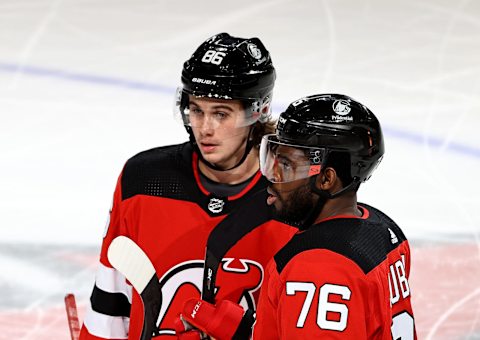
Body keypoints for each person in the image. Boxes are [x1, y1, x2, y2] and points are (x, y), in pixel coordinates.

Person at [79, 33, 297, 340]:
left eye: (221, 114)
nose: (205, 128)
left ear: (256, 112)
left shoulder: (293, 195)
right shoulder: (144, 180)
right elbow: (110, 306)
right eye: (196, 110)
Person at [178, 93, 416, 339]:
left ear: (326, 179)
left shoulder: (317, 266)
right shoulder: (383, 230)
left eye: (287, 166)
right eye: (273, 160)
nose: (272, 178)